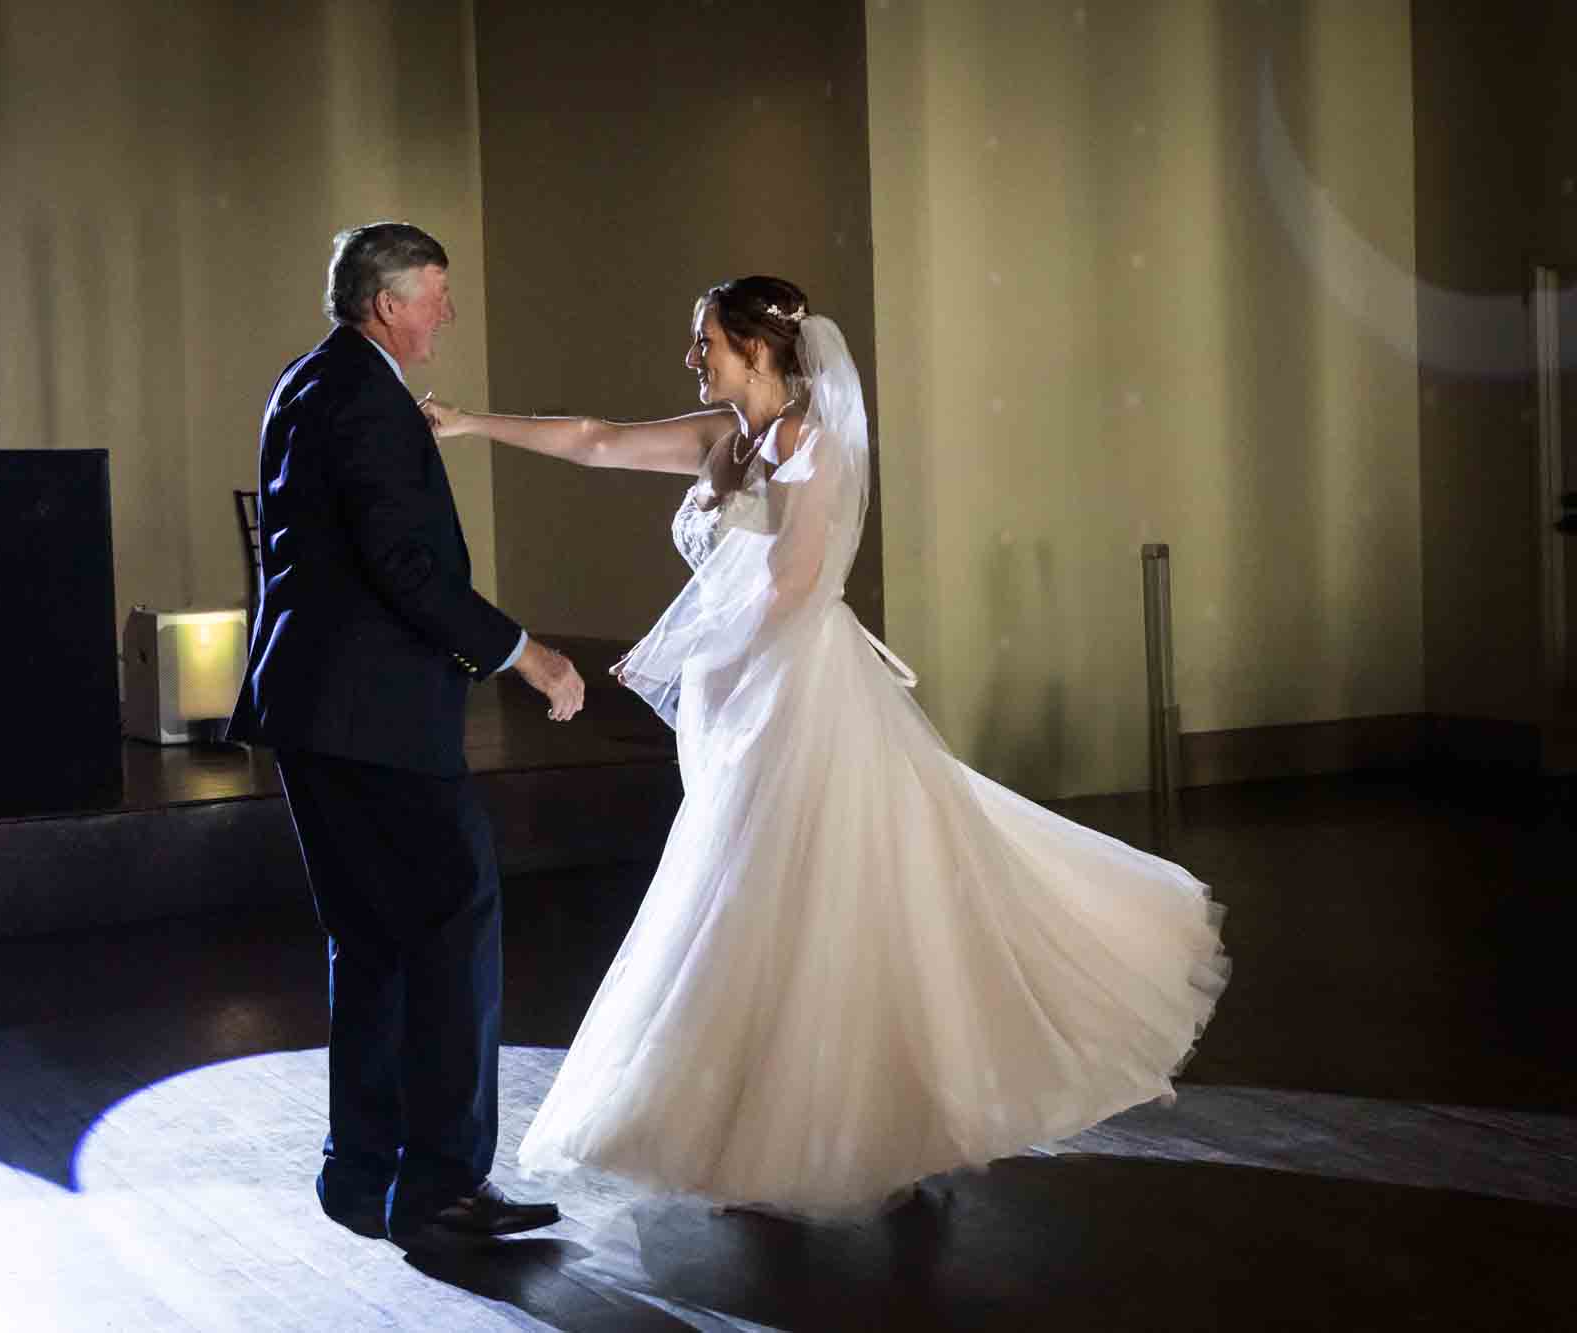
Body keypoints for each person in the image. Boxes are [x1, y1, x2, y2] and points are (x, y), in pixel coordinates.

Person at [421, 275, 1229, 1220]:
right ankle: (758, 1135)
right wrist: (472, 424)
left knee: (817, 904)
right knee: (750, 909)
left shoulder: (817, 450)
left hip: (800, 699)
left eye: (706, 342)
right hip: (733, 706)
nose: (694, 358)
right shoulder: (724, 438)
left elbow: (792, 587)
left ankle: (867, 1132)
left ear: (758, 350)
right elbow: (596, 440)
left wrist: (676, 652)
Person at [230, 222, 582, 1247]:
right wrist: (526, 654)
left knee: (371, 939)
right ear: (387, 304)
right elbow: (407, 570)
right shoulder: (365, 400)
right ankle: (438, 1188)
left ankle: (363, 1171)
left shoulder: (308, 380)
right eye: (436, 293)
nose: (448, 312)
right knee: (451, 926)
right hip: (375, 719)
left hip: (312, 709)